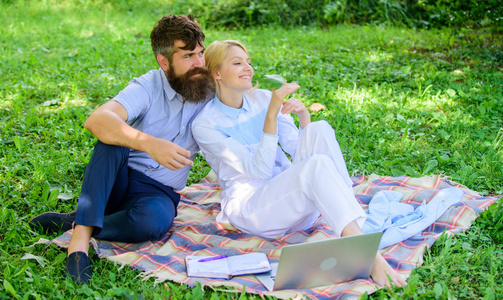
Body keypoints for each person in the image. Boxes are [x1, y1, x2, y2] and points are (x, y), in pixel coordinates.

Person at [191, 40, 407, 288]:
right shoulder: (205, 124)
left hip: (298, 205)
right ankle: (370, 257)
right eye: (237, 63)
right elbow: (258, 170)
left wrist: (303, 115)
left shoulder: (261, 98)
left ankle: (352, 225)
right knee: (313, 166)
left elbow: (297, 147)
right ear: (217, 73)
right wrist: (271, 115)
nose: (248, 68)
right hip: (257, 210)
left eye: (248, 62)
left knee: (318, 129)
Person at [28, 14, 214, 284]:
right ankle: (79, 241)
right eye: (187, 57)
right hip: (117, 179)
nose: (199, 63)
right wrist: (148, 143)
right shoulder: (148, 86)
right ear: (164, 62)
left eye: (201, 53)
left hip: (158, 193)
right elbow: (97, 119)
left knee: (154, 223)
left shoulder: (208, 87)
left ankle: (80, 220)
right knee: (111, 138)